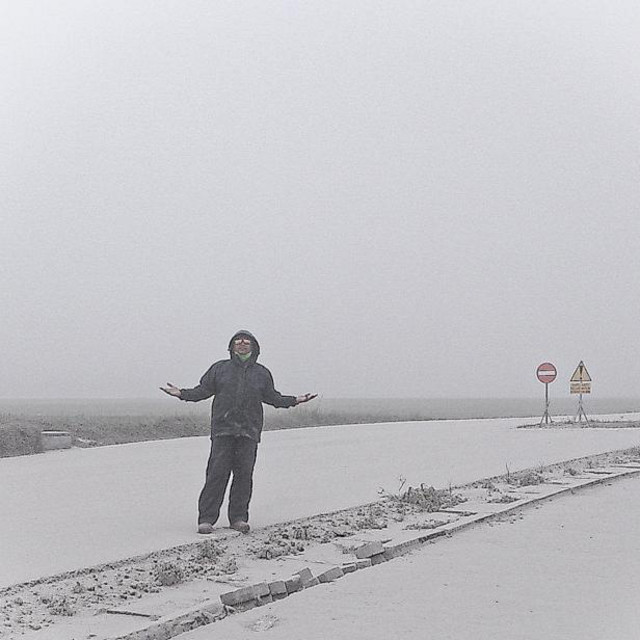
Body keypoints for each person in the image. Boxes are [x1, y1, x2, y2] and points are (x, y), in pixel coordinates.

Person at [160, 330, 316, 535]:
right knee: (216, 475)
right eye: (238, 341)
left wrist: (294, 400)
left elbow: (273, 398)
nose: (242, 344)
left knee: (243, 476)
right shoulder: (220, 369)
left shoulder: (262, 373)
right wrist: (181, 393)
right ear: (232, 347)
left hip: (249, 431)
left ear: (254, 347)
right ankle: (206, 519)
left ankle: (239, 518)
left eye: (246, 342)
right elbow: (202, 391)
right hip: (223, 430)